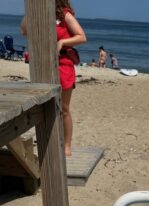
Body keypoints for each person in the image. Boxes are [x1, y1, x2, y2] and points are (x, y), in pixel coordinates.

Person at [20, 0, 87, 157]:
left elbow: (82, 37)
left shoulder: (64, 14)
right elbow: (24, 31)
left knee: (63, 109)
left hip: (63, 66)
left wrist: (62, 41)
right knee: (44, 107)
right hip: (42, 65)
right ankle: (48, 142)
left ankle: (67, 145)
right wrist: (29, 11)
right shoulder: (38, 14)